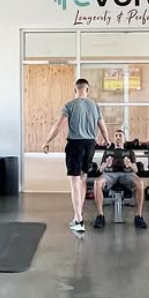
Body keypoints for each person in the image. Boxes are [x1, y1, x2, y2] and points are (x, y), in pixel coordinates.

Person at [42, 77, 111, 237]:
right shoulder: (94, 106)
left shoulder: (70, 105)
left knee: (74, 182)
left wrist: (47, 141)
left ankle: (79, 220)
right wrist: (107, 140)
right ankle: (78, 215)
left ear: (75, 90)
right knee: (83, 179)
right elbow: (102, 126)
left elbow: (58, 126)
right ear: (87, 90)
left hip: (75, 145)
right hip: (90, 145)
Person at [93, 129, 147, 230]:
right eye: (116, 136)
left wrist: (129, 164)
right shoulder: (108, 151)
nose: (118, 137)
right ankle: (100, 216)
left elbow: (136, 169)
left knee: (140, 182)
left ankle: (138, 216)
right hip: (109, 174)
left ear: (124, 139)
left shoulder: (129, 152)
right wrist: (106, 164)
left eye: (120, 136)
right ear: (113, 139)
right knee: (97, 182)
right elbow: (100, 169)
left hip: (127, 174)